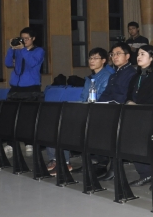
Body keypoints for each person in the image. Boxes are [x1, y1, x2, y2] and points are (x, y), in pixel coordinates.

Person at [47, 47, 115, 176]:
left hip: (98, 114)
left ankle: (64, 162)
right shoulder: (89, 78)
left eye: (95, 58)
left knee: (63, 126)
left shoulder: (107, 76)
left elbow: (101, 99)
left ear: (104, 60)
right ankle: (56, 159)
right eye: (90, 58)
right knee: (54, 121)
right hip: (86, 111)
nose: (92, 61)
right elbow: (83, 97)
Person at [96, 42, 138, 181]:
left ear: (127, 56)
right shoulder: (114, 75)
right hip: (111, 110)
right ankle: (101, 163)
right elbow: (106, 94)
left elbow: (126, 95)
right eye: (112, 54)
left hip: (123, 111)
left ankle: (114, 168)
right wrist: (98, 104)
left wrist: (110, 104)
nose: (114, 57)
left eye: (118, 54)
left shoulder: (131, 73)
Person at [126, 45, 153, 187]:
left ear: (152, 57)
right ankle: (144, 173)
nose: (139, 57)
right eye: (138, 54)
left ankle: (152, 173)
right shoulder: (136, 76)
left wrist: (136, 105)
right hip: (135, 115)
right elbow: (129, 95)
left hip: (150, 116)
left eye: (143, 54)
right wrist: (129, 102)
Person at [4, 27, 45, 98]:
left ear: (33, 38)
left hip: (31, 87)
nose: (24, 41)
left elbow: (32, 63)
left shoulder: (39, 51)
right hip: (15, 87)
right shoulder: (18, 51)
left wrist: (23, 49)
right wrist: (11, 49)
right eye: (22, 38)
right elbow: (8, 64)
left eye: (27, 38)